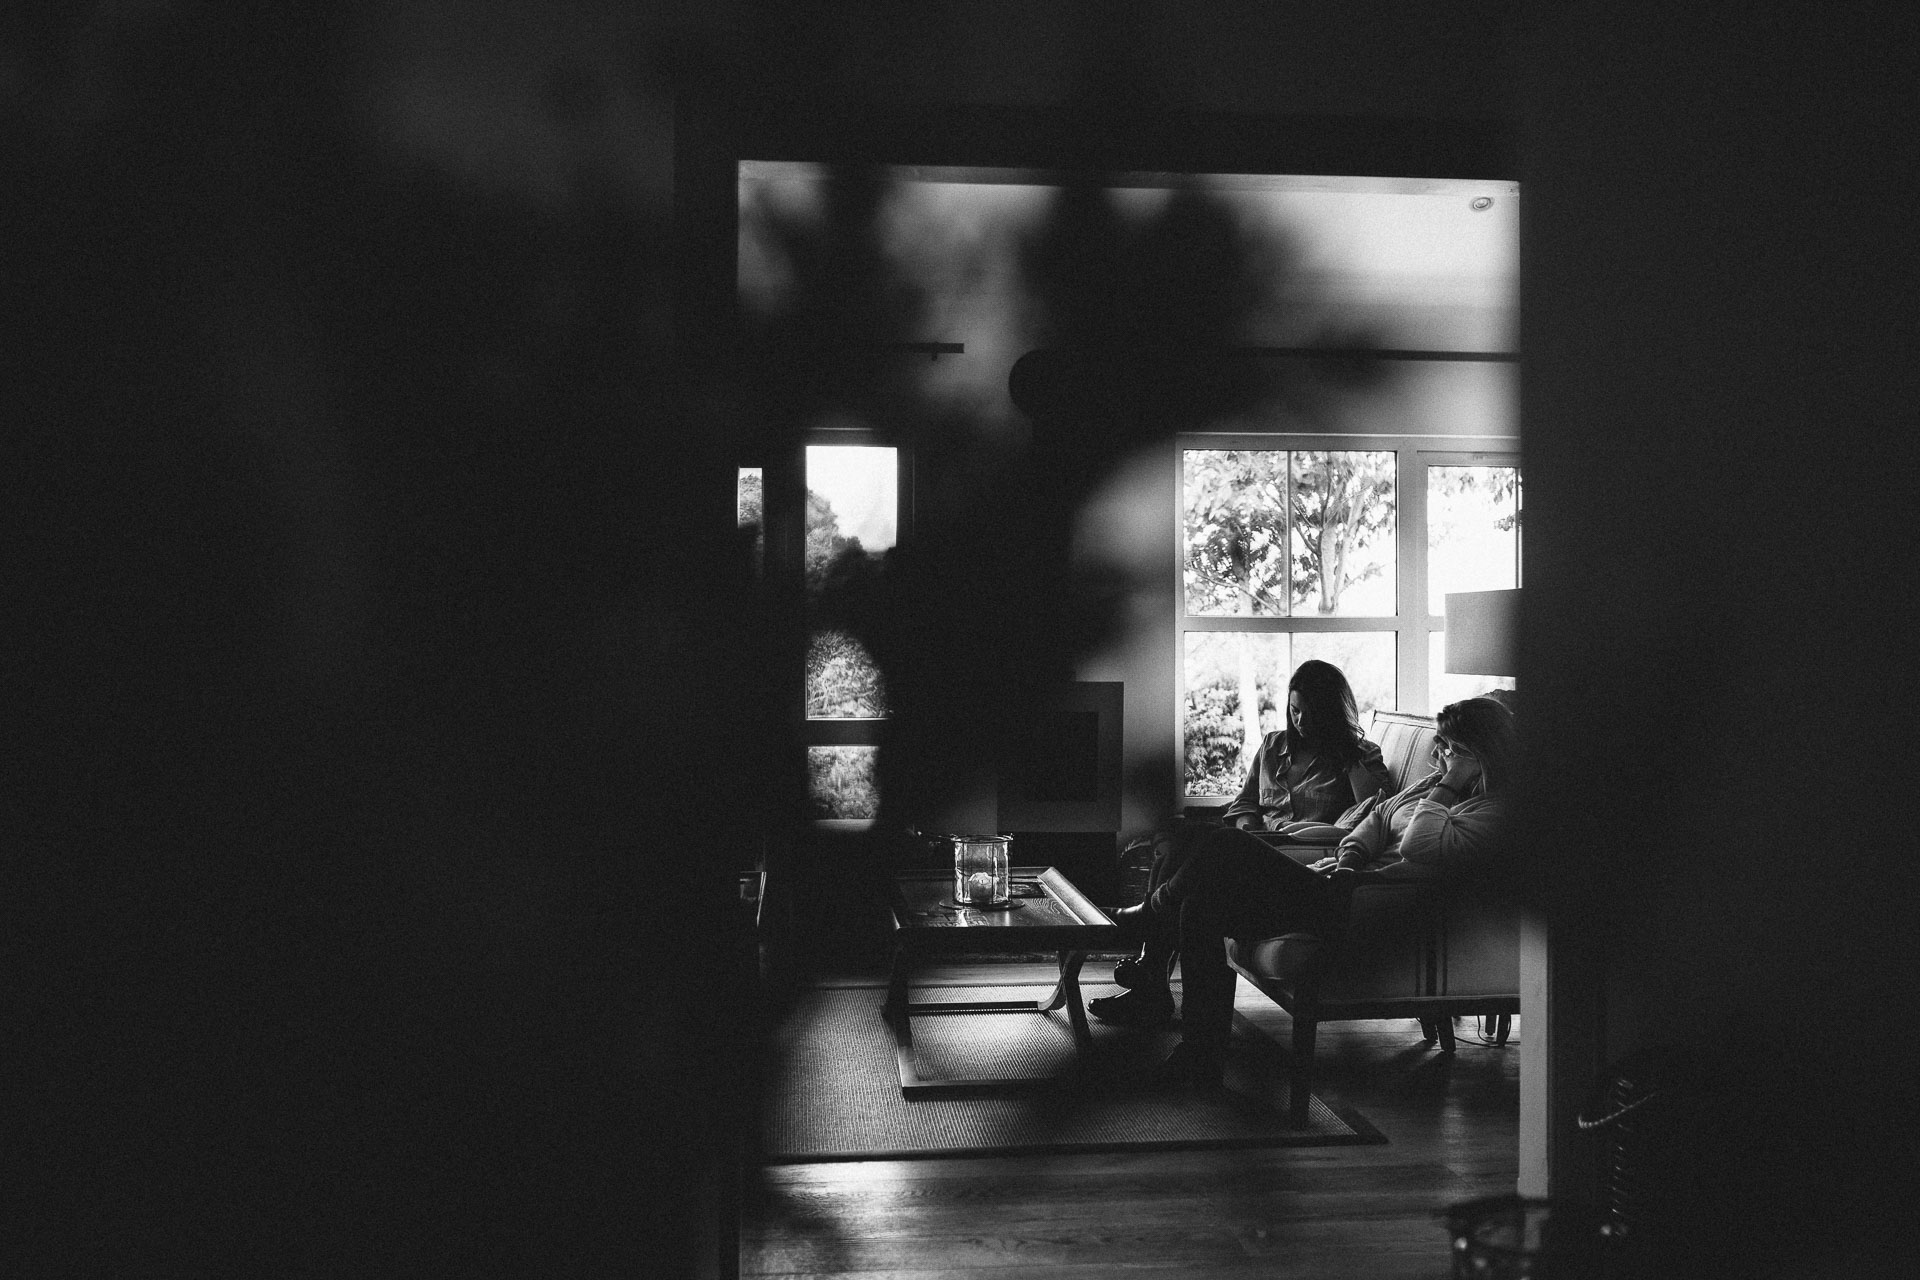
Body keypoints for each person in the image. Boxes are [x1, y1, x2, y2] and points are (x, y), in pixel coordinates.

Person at [1108, 696, 1520, 1088]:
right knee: (1202, 900)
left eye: (1449, 750)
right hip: (1336, 885)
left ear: (1477, 755)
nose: (1439, 758)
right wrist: (1349, 861)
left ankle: (1151, 912)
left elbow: (1419, 846)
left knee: (1222, 843)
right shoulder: (1431, 786)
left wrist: (1447, 786)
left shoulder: (1494, 811)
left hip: (1370, 905)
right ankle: (1200, 1057)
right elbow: (1375, 819)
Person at [1090, 659, 1392, 1027]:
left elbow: (1375, 808)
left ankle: (1149, 936)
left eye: (1312, 714)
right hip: (1251, 848)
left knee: (1211, 844)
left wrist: (1346, 752)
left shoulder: (1361, 755)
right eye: (1295, 711)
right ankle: (1153, 976)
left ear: (1334, 713)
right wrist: (1247, 828)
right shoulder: (1273, 746)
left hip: (1298, 858)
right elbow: (1245, 803)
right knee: (1183, 835)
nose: (1301, 722)